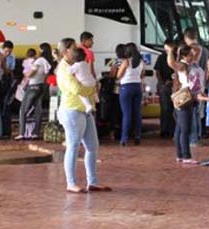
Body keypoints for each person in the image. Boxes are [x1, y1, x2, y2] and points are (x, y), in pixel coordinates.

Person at [56, 38, 110, 193]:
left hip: (85, 110)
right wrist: (93, 89)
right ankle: (70, 183)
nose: (76, 50)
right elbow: (77, 89)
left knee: (92, 146)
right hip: (72, 110)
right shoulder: (63, 69)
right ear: (65, 51)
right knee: (73, 146)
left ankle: (92, 181)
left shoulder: (74, 66)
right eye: (73, 48)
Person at [172, 45, 201, 163]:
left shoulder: (184, 65)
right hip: (184, 99)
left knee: (179, 128)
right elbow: (186, 83)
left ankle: (180, 154)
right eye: (190, 55)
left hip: (182, 99)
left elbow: (199, 50)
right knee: (185, 129)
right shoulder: (183, 66)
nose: (192, 57)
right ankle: (186, 156)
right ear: (185, 55)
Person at [18, 44, 51, 140]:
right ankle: (35, 133)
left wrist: (27, 74)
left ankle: (22, 133)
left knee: (23, 110)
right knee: (38, 110)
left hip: (32, 87)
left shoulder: (39, 61)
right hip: (41, 86)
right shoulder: (46, 61)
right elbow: (46, 73)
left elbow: (31, 73)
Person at [117, 42, 144, 146]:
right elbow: (142, 75)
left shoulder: (126, 61)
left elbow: (119, 75)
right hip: (137, 87)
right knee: (137, 113)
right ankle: (137, 136)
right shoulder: (141, 62)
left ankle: (124, 138)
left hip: (126, 88)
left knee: (127, 114)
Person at [155, 38, 176, 137]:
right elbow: (157, 72)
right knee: (165, 108)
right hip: (164, 86)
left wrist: (172, 82)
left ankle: (172, 129)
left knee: (172, 108)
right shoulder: (161, 57)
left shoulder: (176, 56)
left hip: (174, 85)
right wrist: (162, 83)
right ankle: (164, 130)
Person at [69, 47, 98, 113]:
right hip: (92, 81)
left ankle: (88, 105)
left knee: (82, 94)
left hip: (85, 83)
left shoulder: (76, 65)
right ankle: (96, 98)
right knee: (92, 91)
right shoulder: (85, 63)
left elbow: (68, 72)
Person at [0, 40, 16, 139]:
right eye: (6, 51)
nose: (7, 53)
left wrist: (5, 69)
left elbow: (11, 69)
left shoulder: (12, 57)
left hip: (6, 80)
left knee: (6, 105)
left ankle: (6, 130)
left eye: (9, 51)